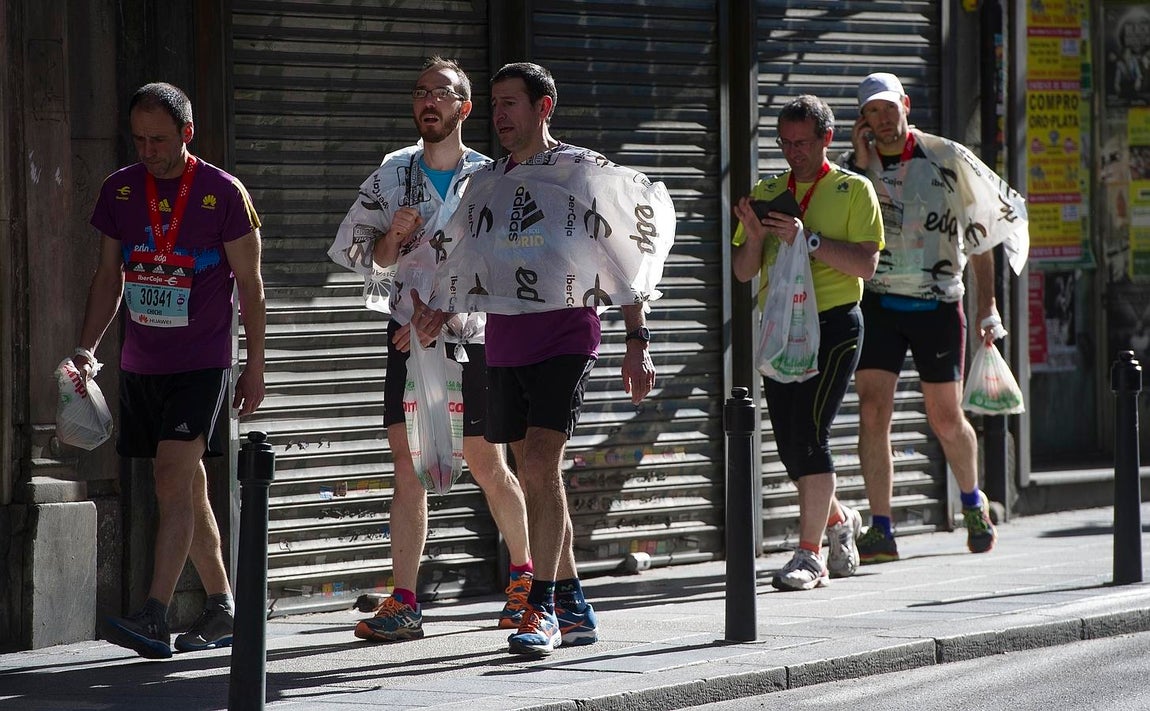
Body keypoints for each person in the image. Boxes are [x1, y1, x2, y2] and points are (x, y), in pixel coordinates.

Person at [411, 62, 674, 656]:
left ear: (543, 108)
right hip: (503, 341)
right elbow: (459, 261)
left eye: (511, 104)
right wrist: (434, 309)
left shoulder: (582, 173)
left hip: (565, 337)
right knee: (531, 468)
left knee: (540, 464)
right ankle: (575, 600)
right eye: (496, 104)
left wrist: (638, 341)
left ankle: (545, 606)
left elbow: (628, 258)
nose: (500, 116)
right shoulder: (485, 182)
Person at [328, 57, 533, 643]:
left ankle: (524, 581)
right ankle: (405, 601)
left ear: (465, 108)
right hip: (407, 339)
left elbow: (509, 265)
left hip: (472, 339)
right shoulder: (393, 172)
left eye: (441, 94)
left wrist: (448, 313)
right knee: (408, 468)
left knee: (487, 463)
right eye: (420, 93)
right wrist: (393, 235)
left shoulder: (493, 176)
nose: (428, 102)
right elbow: (369, 256)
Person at [74, 82, 265, 659]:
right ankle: (222, 606)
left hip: (202, 363)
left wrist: (255, 365)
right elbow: (110, 277)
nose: (147, 149)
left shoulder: (223, 192)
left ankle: (155, 613)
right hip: (141, 362)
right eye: (138, 139)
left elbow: (252, 288)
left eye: (159, 139)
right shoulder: (119, 190)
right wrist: (86, 350)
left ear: (187, 134)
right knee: (188, 483)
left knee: (169, 476)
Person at [842, 72, 1028, 564]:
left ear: (905, 105)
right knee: (871, 411)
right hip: (878, 302)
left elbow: (984, 234)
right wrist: (862, 165)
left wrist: (986, 305)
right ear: (863, 120)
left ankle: (972, 501)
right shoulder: (857, 168)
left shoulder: (946, 157)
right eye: (871, 113)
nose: (881, 120)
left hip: (939, 305)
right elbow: (846, 225)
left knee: (945, 416)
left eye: (888, 109)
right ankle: (881, 527)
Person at [732, 95, 884, 591]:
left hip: (834, 325)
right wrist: (755, 234)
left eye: (802, 142)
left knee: (811, 437)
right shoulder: (768, 189)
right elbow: (742, 271)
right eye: (785, 143)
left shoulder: (853, 189)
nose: (793, 152)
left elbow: (865, 265)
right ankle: (839, 520)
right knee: (789, 446)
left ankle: (809, 554)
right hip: (780, 328)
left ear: (826, 139)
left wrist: (809, 239)